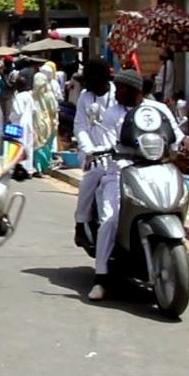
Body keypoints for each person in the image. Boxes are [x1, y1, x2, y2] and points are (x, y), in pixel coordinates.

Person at [88, 70, 189, 301]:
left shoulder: (159, 110)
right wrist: (101, 150)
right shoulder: (111, 114)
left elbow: (175, 135)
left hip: (156, 168)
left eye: (121, 88)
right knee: (109, 219)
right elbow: (104, 142)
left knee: (177, 206)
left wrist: (185, 143)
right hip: (120, 172)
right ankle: (101, 276)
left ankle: (183, 277)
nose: (116, 92)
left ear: (136, 90)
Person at [72, 59, 115, 247]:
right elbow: (80, 125)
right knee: (93, 175)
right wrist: (88, 149)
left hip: (119, 151)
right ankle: (81, 223)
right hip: (94, 152)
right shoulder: (85, 97)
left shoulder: (118, 94)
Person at [32, 72, 58, 178]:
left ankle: (37, 168)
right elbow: (53, 110)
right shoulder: (49, 95)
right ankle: (44, 167)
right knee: (46, 145)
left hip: (35, 123)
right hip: (48, 124)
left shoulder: (32, 95)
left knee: (37, 146)